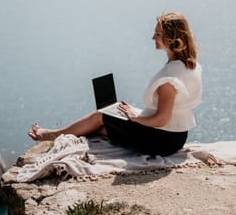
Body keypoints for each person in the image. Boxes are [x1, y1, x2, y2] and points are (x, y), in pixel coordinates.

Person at [28, 12, 202, 157]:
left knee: (100, 116)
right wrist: (134, 112)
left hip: (162, 141)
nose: (152, 37)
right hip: (175, 135)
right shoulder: (189, 66)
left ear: (171, 38)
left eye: (158, 34)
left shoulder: (168, 80)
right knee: (113, 113)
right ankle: (97, 128)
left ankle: (51, 135)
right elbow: (168, 112)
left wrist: (135, 118)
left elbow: (161, 119)